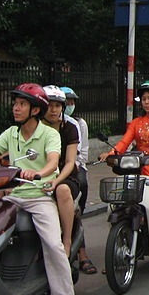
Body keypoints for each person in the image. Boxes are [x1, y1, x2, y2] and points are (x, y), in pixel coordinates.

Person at [0, 83, 84, 295]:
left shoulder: (49, 134)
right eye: (15, 103)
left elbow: (53, 162)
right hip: (11, 194)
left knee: (53, 243)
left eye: (21, 104)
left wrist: (39, 172)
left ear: (34, 110)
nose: (15, 108)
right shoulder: (11, 133)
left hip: (39, 196)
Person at [100, 80, 149, 256]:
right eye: (144, 99)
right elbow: (124, 142)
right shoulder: (136, 122)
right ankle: (117, 247)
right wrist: (110, 153)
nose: (146, 102)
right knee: (120, 202)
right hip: (140, 169)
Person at [60, 86, 96, 274]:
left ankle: (81, 253)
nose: (67, 106)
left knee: (76, 206)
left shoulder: (75, 125)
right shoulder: (39, 126)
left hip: (72, 169)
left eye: (70, 102)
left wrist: (69, 168)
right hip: (47, 173)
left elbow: (81, 155)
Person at [41, 86, 80, 259]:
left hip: (64, 177)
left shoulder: (69, 128)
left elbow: (71, 162)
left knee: (62, 190)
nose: (54, 110)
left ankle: (67, 241)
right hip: (37, 177)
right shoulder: (32, 127)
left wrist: (56, 181)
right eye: (49, 105)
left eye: (57, 106)